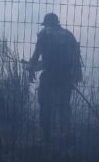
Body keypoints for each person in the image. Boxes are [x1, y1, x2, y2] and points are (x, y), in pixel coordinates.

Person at [29, 13, 82, 142]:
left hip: (49, 75)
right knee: (64, 105)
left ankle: (46, 135)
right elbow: (77, 58)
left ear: (46, 23)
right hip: (65, 76)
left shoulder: (44, 34)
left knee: (46, 104)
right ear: (57, 22)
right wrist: (75, 76)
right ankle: (66, 133)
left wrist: (31, 68)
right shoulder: (69, 35)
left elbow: (37, 54)